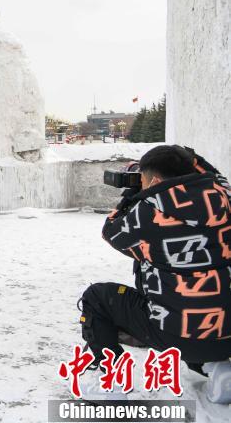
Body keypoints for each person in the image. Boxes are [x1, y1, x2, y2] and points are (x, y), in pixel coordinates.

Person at [78, 145, 231, 402]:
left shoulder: (148, 211)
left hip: (175, 336)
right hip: (225, 336)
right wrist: (189, 157)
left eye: (143, 179)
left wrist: (134, 195)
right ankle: (219, 368)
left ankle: (110, 383)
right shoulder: (223, 195)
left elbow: (111, 231)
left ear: (155, 182)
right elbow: (214, 175)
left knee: (97, 297)